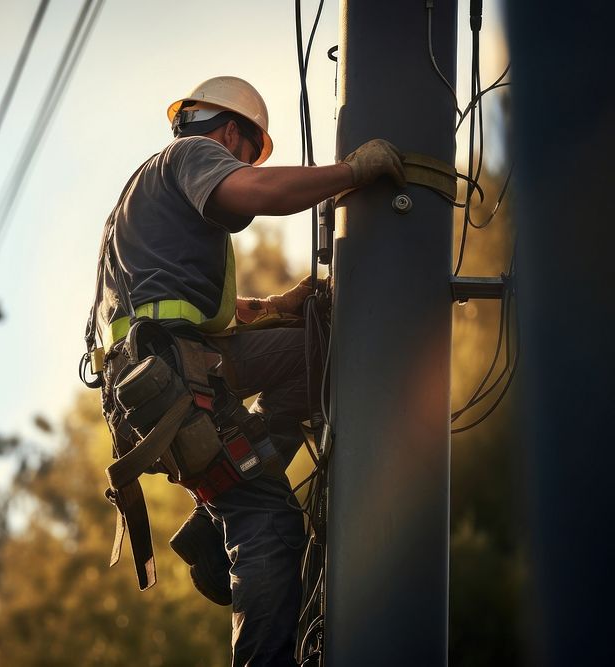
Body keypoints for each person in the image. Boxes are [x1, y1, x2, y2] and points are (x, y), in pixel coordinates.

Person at [88, 76, 404, 667]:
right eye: (244, 151)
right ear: (231, 132)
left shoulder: (138, 205)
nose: (239, 162)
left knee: (315, 346)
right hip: (174, 375)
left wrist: (281, 307)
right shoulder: (191, 154)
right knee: (268, 521)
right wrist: (352, 174)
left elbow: (198, 311)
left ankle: (220, 510)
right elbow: (259, 190)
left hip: (166, 371)